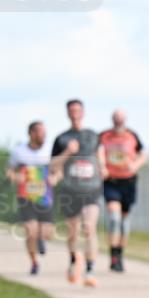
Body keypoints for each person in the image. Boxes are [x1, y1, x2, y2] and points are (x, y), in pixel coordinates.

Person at [50, 98, 107, 287]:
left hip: (92, 189)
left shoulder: (92, 135)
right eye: (71, 110)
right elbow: (53, 166)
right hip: (70, 191)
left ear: (83, 112)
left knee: (89, 227)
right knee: (73, 232)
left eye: (77, 110)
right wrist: (67, 152)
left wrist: (103, 167)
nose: (75, 113)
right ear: (67, 113)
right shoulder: (61, 139)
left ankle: (90, 271)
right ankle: (74, 261)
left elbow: (100, 155)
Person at [99, 109, 147, 272]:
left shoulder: (132, 135)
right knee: (114, 218)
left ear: (125, 120)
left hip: (128, 182)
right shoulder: (104, 136)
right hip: (111, 181)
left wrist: (135, 165)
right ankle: (112, 256)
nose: (118, 121)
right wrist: (102, 167)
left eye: (121, 118)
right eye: (116, 118)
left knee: (125, 223)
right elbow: (96, 153)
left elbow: (143, 155)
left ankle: (120, 255)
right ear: (112, 119)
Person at [7, 121, 57, 274]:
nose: (44, 135)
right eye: (41, 132)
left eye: (45, 132)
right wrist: (16, 177)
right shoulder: (19, 151)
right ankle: (34, 262)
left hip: (45, 196)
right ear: (31, 134)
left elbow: (58, 170)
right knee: (30, 230)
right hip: (25, 196)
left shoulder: (50, 150)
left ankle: (42, 240)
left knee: (46, 233)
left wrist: (55, 178)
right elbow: (9, 171)